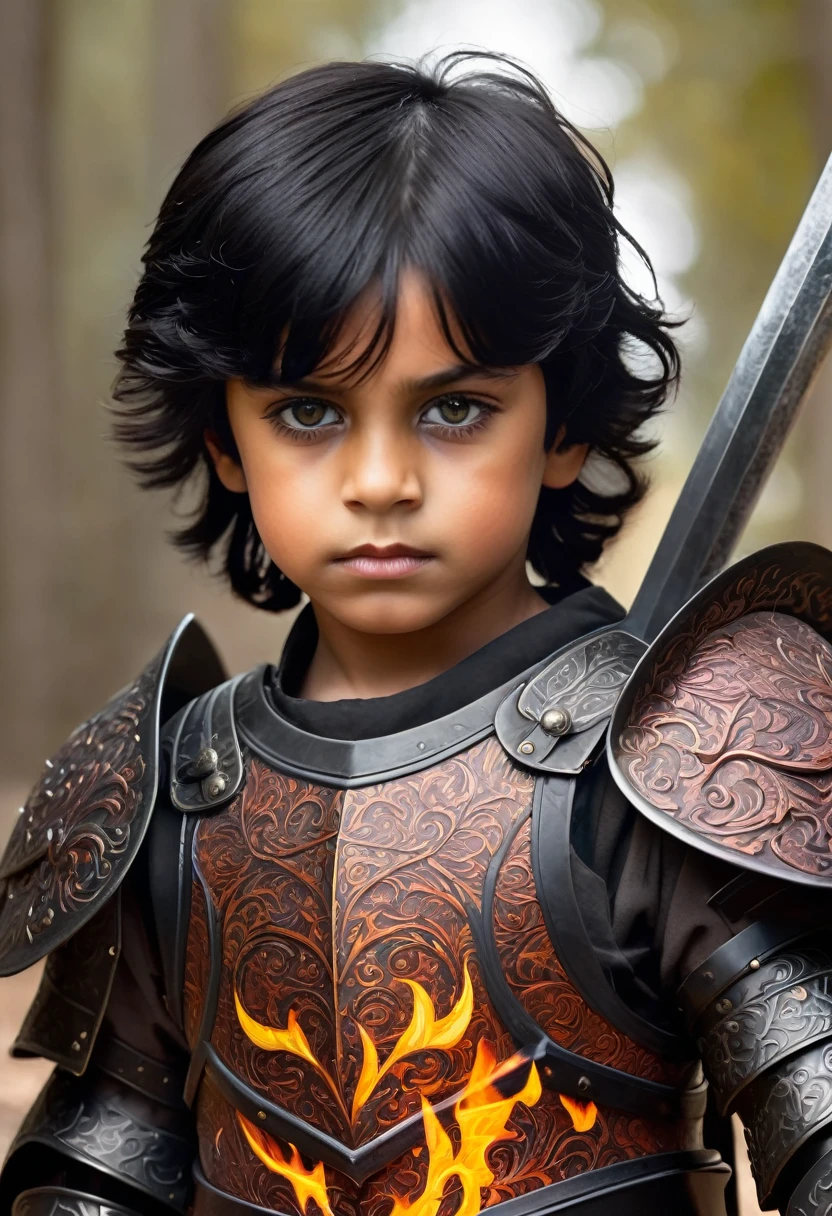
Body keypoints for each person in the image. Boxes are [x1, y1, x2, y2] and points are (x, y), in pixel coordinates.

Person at [1, 50, 830, 1216]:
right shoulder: (164, 793)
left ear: (562, 425)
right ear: (225, 441)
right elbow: (102, 1163)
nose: (380, 479)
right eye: (308, 411)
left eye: (453, 408)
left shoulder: (697, 748)